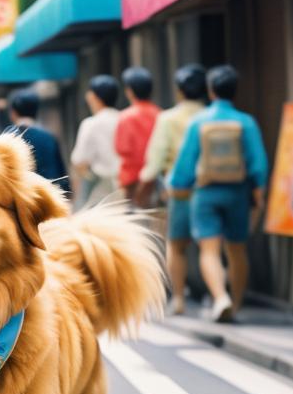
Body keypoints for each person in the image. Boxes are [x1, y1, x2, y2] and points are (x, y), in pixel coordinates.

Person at [169, 65, 268, 323]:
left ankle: (219, 297)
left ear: (211, 91)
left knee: (209, 250)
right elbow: (258, 162)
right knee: (237, 249)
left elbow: (185, 165)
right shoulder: (246, 122)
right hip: (238, 193)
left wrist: (178, 185)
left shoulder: (199, 122)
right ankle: (234, 304)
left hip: (204, 194)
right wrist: (258, 191)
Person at [139, 63, 207, 314]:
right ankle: (213, 295)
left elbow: (155, 159)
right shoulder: (208, 115)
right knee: (210, 246)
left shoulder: (168, 119)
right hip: (209, 187)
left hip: (177, 190)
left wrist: (143, 185)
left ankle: (178, 299)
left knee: (176, 246)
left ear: (179, 91)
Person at [70, 74, 121, 209]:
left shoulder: (90, 124)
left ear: (93, 96)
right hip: (127, 188)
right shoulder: (123, 119)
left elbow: (79, 160)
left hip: (102, 191)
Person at [8, 88, 69, 191]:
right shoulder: (49, 137)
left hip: (22, 197)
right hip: (50, 196)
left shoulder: (8, 137)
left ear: (13, 112)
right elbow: (61, 175)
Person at [114, 67, 160, 204]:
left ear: (130, 91)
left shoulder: (126, 117)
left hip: (131, 181)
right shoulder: (159, 113)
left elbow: (121, 149)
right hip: (155, 179)